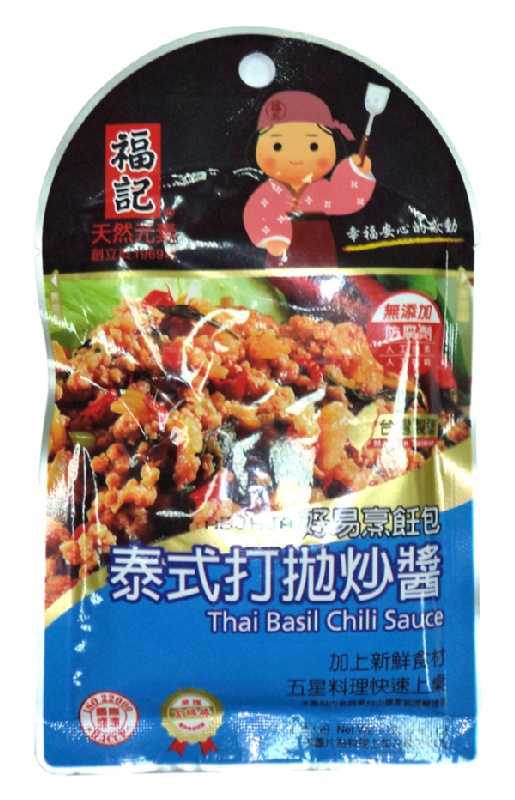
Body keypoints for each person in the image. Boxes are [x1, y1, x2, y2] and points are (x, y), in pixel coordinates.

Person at [244, 90, 376, 269]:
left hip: (320, 248)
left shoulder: (322, 190)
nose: (296, 156)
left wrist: (356, 173)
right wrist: (272, 237)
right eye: (277, 146)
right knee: (279, 282)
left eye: (313, 146)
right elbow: (255, 214)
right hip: (281, 255)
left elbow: (346, 200)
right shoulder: (268, 192)